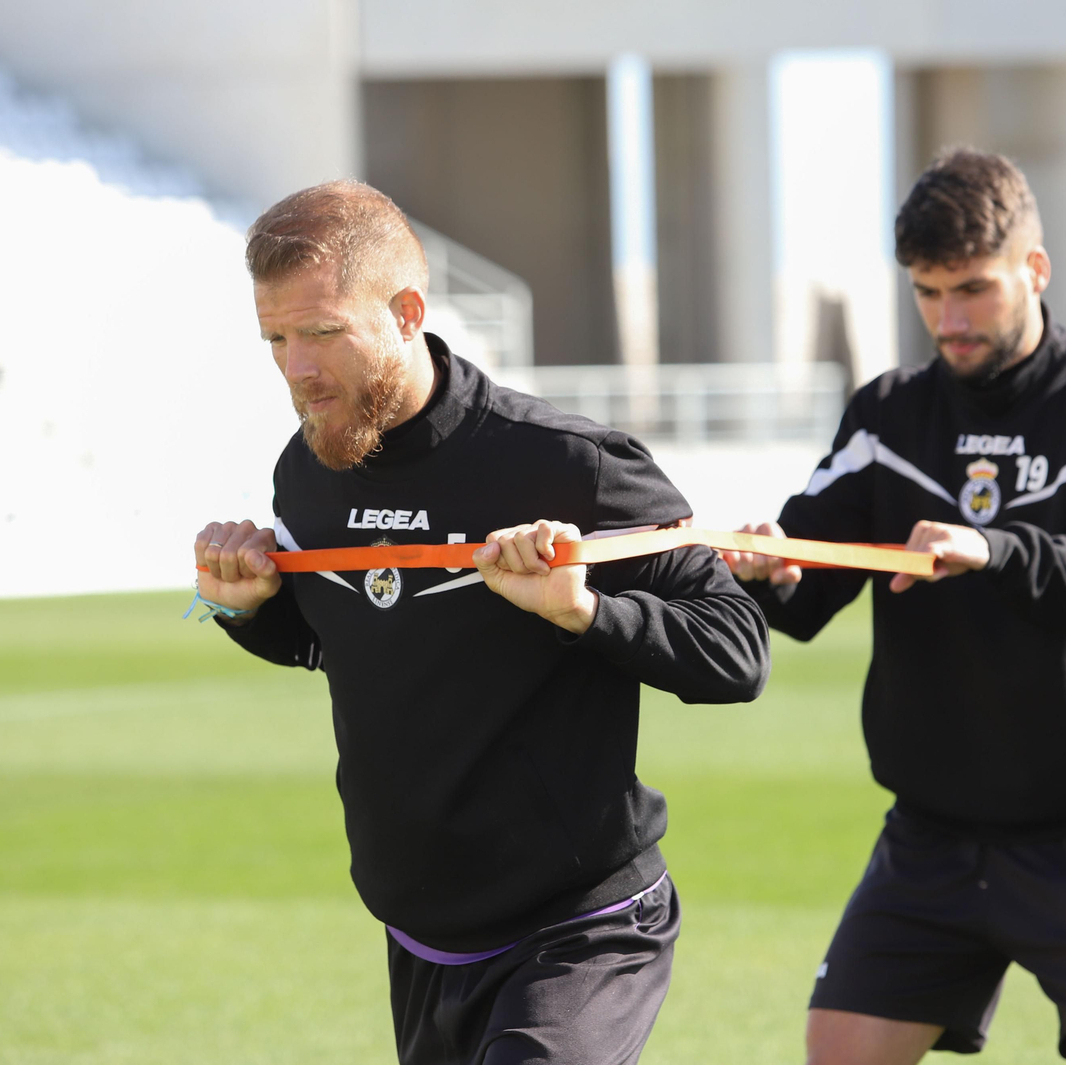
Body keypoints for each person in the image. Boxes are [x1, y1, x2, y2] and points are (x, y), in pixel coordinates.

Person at [194, 180, 769, 1065]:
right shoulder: (307, 473)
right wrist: (239, 608)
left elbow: (736, 651)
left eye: (321, 332)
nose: (296, 370)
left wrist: (584, 609)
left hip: (582, 924)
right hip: (422, 937)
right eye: (275, 338)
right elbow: (338, 637)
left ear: (407, 312)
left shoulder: (572, 465)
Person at [723, 149, 1066, 1065]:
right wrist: (764, 567)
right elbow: (811, 583)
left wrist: (992, 548)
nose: (950, 319)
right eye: (929, 294)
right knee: (838, 1050)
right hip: (932, 832)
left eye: (972, 289)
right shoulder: (888, 416)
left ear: (1035, 271)